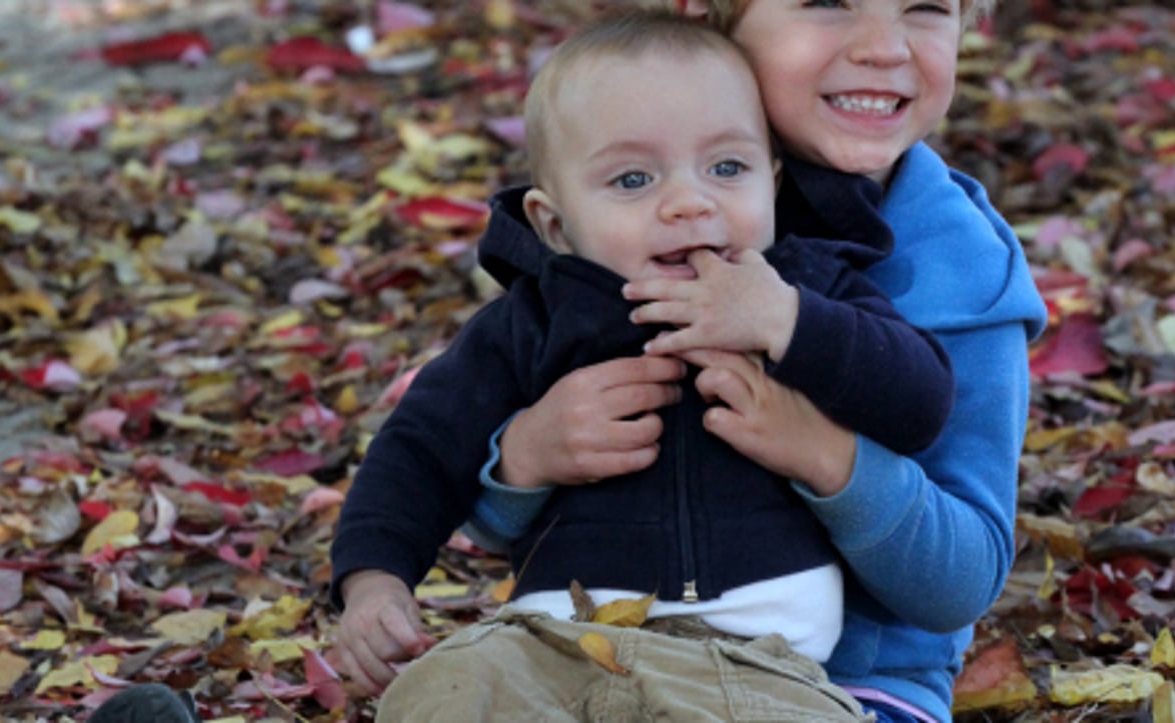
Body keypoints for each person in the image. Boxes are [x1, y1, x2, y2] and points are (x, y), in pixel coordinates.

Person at [330, 9, 957, 721]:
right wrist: (373, 580)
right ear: (554, 223)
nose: (690, 203)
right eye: (633, 179)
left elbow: (921, 399)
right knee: (447, 687)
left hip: (756, 660)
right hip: (553, 647)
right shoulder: (536, 320)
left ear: (772, 183)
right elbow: (418, 448)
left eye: (727, 168)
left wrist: (789, 323)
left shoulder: (809, 291)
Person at [453, 0, 1048, 722]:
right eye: (829, 2)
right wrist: (526, 453)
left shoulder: (957, 267)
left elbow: (961, 582)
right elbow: (475, 505)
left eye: (925, 7)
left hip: (845, 689)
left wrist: (825, 455)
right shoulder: (624, 205)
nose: (884, 48)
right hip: (591, 656)